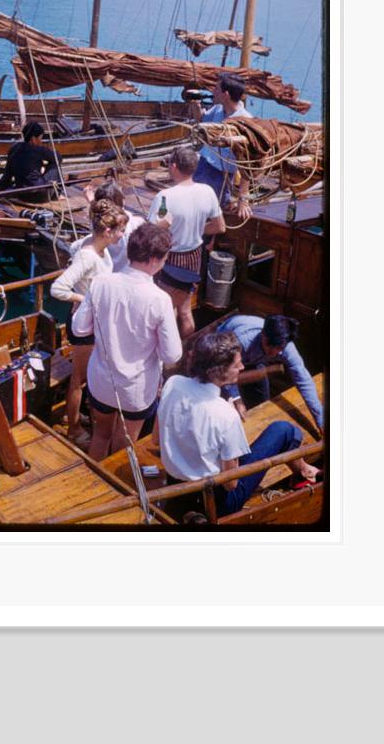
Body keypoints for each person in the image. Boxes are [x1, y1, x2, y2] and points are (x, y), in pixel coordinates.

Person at [158, 331, 320, 517]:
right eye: (237, 364)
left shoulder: (173, 383)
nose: (243, 367)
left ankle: (304, 470)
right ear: (220, 370)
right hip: (214, 502)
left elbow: (157, 439)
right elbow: (231, 484)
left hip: (175, 489)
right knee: (284, 430)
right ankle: (304, 472)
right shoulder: (226, 414)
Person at [71, 222, 182, 460]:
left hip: (101, 382)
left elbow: (79, 329)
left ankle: (94, 484)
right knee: (124, 444)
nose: (164, 264)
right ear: (154, 260)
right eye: (164, 259)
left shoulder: (100, 283)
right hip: (135, 391)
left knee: (100, 435)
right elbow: (172, 355)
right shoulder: (160, 300)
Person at [50, 199, 128, 448]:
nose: (122, 234)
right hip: (84, 322)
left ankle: (73, 415)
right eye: (120, 230)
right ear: (107, 231)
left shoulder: (94, 248)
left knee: (85, 376)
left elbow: (75, 250)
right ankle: (73, 428)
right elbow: (58, 288)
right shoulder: (88, 256)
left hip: (93, 321)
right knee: (79, 379)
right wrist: (83, 298)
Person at [147, 145, 226, 337]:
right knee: (184, 309)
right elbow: (220, 227)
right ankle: (185, 347)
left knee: (164, 312)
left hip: (169, 259)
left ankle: (167, 356)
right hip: (194, 257)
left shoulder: (165, 197)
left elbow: (149, 233)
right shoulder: (207, 191)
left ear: (174, 167)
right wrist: (197, 229)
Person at [216, 313, 324, 433]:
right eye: (270, 347)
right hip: (224, 352)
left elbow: (303, 379)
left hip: (255, 357)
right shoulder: (242, 340)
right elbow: (224, 370)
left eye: (279, 349)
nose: (274, 353)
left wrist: (320, 419)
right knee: (225, 404)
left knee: (263, 399)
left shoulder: (286, 347)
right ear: (263, 335)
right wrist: (237, 398)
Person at [193, 74, 252, 218]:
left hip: (221, 176)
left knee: (212, 212)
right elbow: (201, 120)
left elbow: (248, 164)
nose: (213, 91)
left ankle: (209, 237)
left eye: (216, 89)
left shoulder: (245, 121)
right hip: (203, 165)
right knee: (194, 206)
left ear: (225, 95)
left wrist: (243, 198)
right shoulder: (218, 109)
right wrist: (195, 105)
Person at [77, 180, 144, 273]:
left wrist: (92, 201)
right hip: (127, 275)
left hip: (106, 273)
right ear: (123, 201)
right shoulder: (136, 223)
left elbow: (100, 212)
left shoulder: (97, 222)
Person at [0, 121, 59, 192]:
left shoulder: (14, 148)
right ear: (33, 139)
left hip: (20, 193)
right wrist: (49, 150)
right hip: (38, 194)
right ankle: (58, 193)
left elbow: (7, 176)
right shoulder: (38, 149)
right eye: (40, 138)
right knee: (55, 165)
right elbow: (58, 158)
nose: (41, 141)